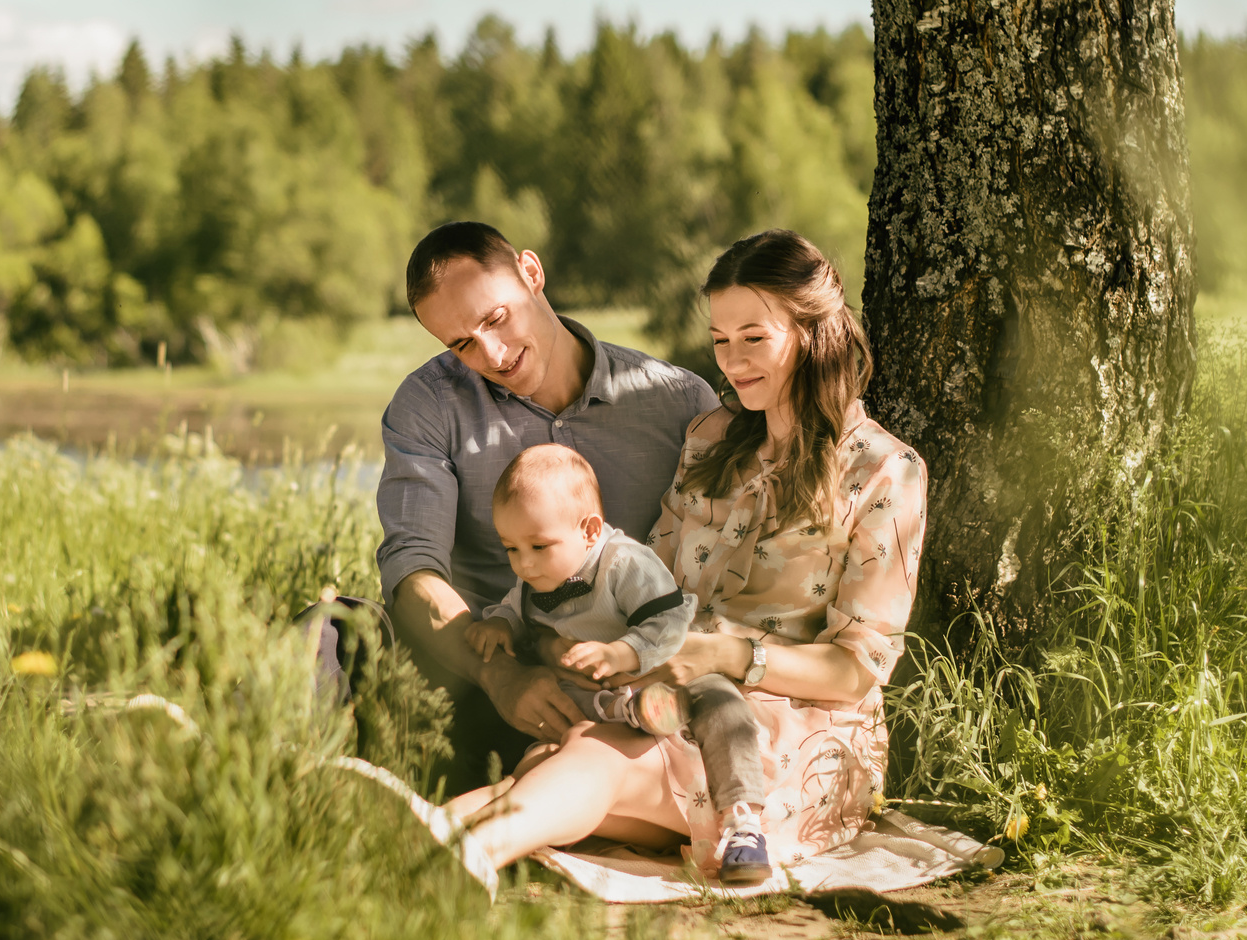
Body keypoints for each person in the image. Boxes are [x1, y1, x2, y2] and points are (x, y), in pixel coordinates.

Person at [443, 229, 926, 881]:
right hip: (677, 698)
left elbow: (856, 670)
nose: (731, 361)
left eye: (753, 337)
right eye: (720, 340)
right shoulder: (710, 438)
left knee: (599, 756)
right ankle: (429, 836)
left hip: (796, 742)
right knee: (571, 749)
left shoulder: (886, 471)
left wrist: (729, 655)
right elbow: (646, 586)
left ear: (813, 332)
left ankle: (459, 844)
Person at [376, 222, 719, 783]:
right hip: (478, 666)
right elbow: (414, 566)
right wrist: (501, 676)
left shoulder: (680, 402)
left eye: (495, 318)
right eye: (461, 343)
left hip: (619, 686)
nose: (491, 353)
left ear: (531, 275)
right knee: (337, 633)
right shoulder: (428, 404)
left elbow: (713, 570)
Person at [468, 444, 773, 884]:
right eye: (511, 549)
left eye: (537, 546)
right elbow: (514, 610)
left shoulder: (625, 563)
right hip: (594, 695)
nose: (525, 564)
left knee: (720, 701)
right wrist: (499, 625)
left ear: (590, 530)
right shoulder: (536, 575)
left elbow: (670, 621)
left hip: (662, 669)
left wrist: (620, 652)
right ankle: (633, 712)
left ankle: (743, 821)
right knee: (545, 754)